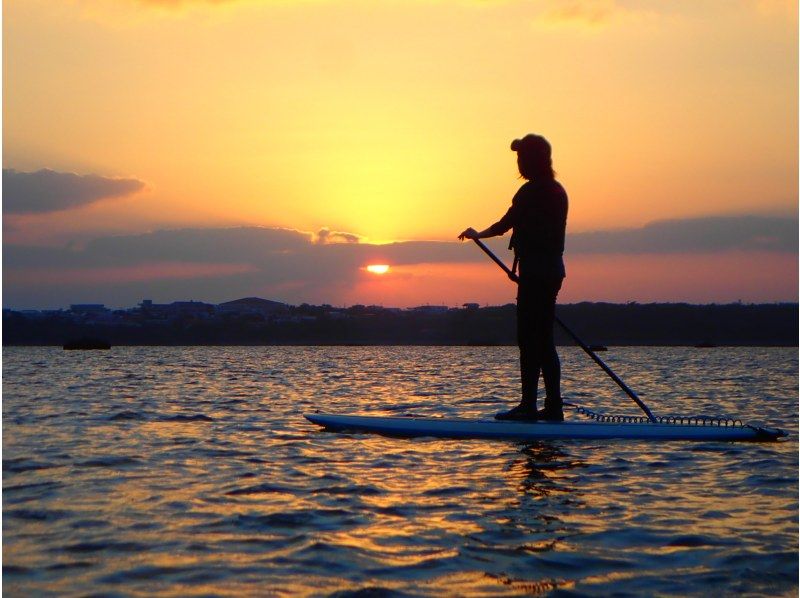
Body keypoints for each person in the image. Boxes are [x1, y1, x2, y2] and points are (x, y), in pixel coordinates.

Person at [458, 134, 568, 421]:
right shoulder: (557, 190)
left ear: (534, 160)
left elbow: (506, 224)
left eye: (522, 158)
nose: (518, 163)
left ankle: (529, 406)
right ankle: (552, 406)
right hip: (551, 272)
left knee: (531, 340)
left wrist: (477, 234)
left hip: (537, 274)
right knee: (543, 340)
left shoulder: (531, 192)